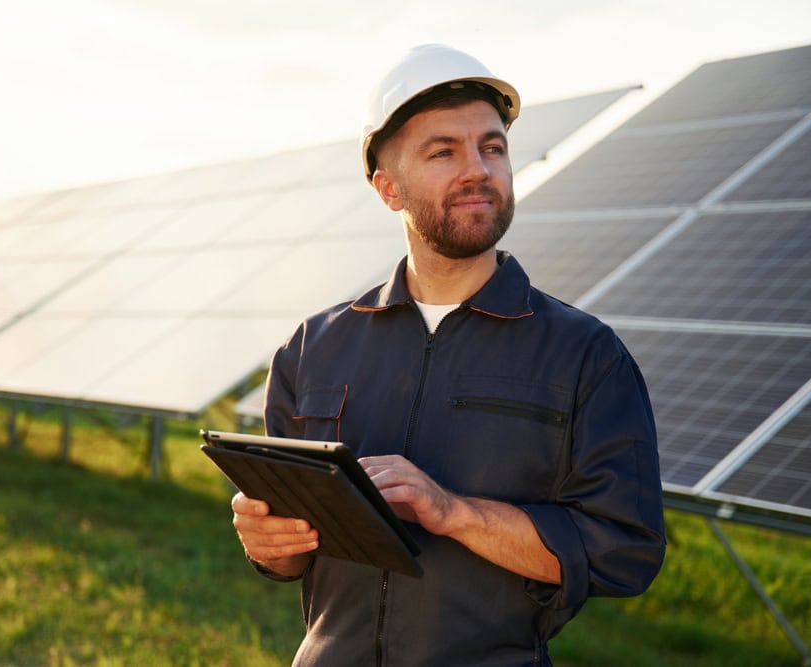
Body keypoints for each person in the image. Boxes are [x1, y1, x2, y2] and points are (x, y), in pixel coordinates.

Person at [231, 43, 666, 666]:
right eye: (444, 152)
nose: (478, 170)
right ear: (388, 188)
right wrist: (269, 543)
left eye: (493, 148)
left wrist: (452, 512)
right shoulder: (313, 347)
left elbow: (622, 551)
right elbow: (292, 555)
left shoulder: (584, 355)